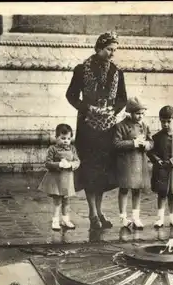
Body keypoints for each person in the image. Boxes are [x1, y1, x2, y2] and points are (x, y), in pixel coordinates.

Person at [65, 31, 127, 230]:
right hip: (87, 126)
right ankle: (92, 213)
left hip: (108, 127)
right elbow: (71, 95)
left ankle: (99, 211)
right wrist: (88, 108)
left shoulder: (117, 72)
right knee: (90, 168)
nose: (112, 54)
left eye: (114, 50)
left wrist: (112, 110)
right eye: (109, 49)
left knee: (103, 170)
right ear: (99, 48)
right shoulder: (82, 70)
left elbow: (122, 99)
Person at [113, 97, 153, 229]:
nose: (140, 116)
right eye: (137, 113)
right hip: (126, 163)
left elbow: (151, 142)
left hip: (140, 162)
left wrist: (147, 144)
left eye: (142, 113)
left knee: (137, 190)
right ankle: (123, 217)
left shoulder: (145, 126)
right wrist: (133, 143)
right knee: (124, 189)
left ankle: (136, 217)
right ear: (129, 112)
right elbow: (116, 144)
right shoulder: (120, 126)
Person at [147, 105, 173, 229]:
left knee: (172, 194)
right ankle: (160, 218)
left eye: (168, 121)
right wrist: (157, 160)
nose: (165, 124)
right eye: (163, 121)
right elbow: (151, 151)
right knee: (161, 193)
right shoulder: (156, 137)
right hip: (161, 170)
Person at [38, 124, 80, 231]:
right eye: (63, 138)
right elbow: (47, 163)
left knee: (66, 201)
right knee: (57, 201)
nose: (66, 141)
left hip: (67, 179)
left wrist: (71, 165)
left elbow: (77, 161)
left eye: (68, 138)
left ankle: (65, 219)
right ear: (56, 137)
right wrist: (58, 165)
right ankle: (55, 220)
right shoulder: (53, 149)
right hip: (56, 179)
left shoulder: (72, 149)